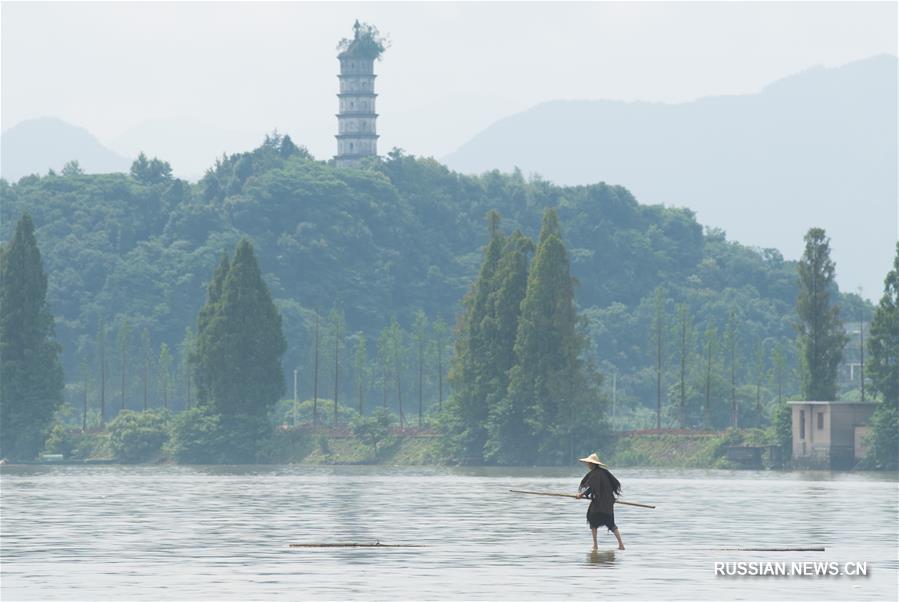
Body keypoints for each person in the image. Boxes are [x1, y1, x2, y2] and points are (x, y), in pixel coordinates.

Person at [575, 453, 625, 551]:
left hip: (600, 503)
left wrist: (581, 495)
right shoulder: (605, 472)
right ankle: (621, 544)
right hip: (608, 503)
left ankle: (595, 545)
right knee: (611, 524)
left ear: (593, 464)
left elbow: (591, 488)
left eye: (589, 463)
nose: (588, 465)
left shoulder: (596, 474)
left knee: (592, 519)